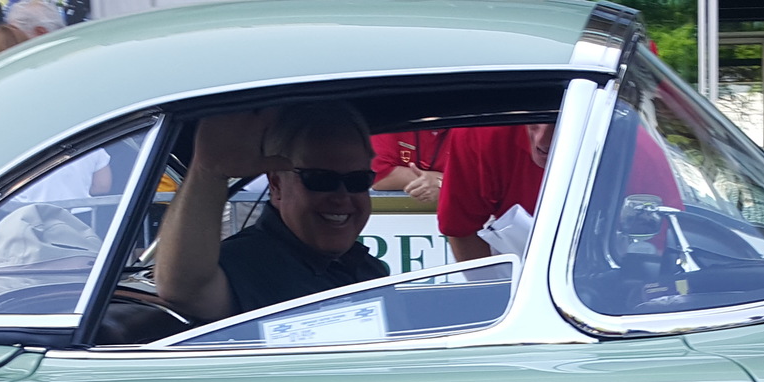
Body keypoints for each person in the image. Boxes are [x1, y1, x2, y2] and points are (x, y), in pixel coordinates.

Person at [154, 102, 387, 323]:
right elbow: (185, 289)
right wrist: (209, 172)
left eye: (358, 181)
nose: (341, 197)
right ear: (276, 184)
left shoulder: (368, 268)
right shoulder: (247, 266)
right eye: (320, 179)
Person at [438, 125, 552, 260]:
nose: (543, 141)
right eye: (537, 118)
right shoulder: (481, 129)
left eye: (558, 122)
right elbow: (460, 227)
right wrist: (486, 280)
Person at [371, 129, 449, 202]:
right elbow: (379, 177)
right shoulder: (389, 118)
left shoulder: (460, 127)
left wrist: (442, 183)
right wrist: (441, 181)